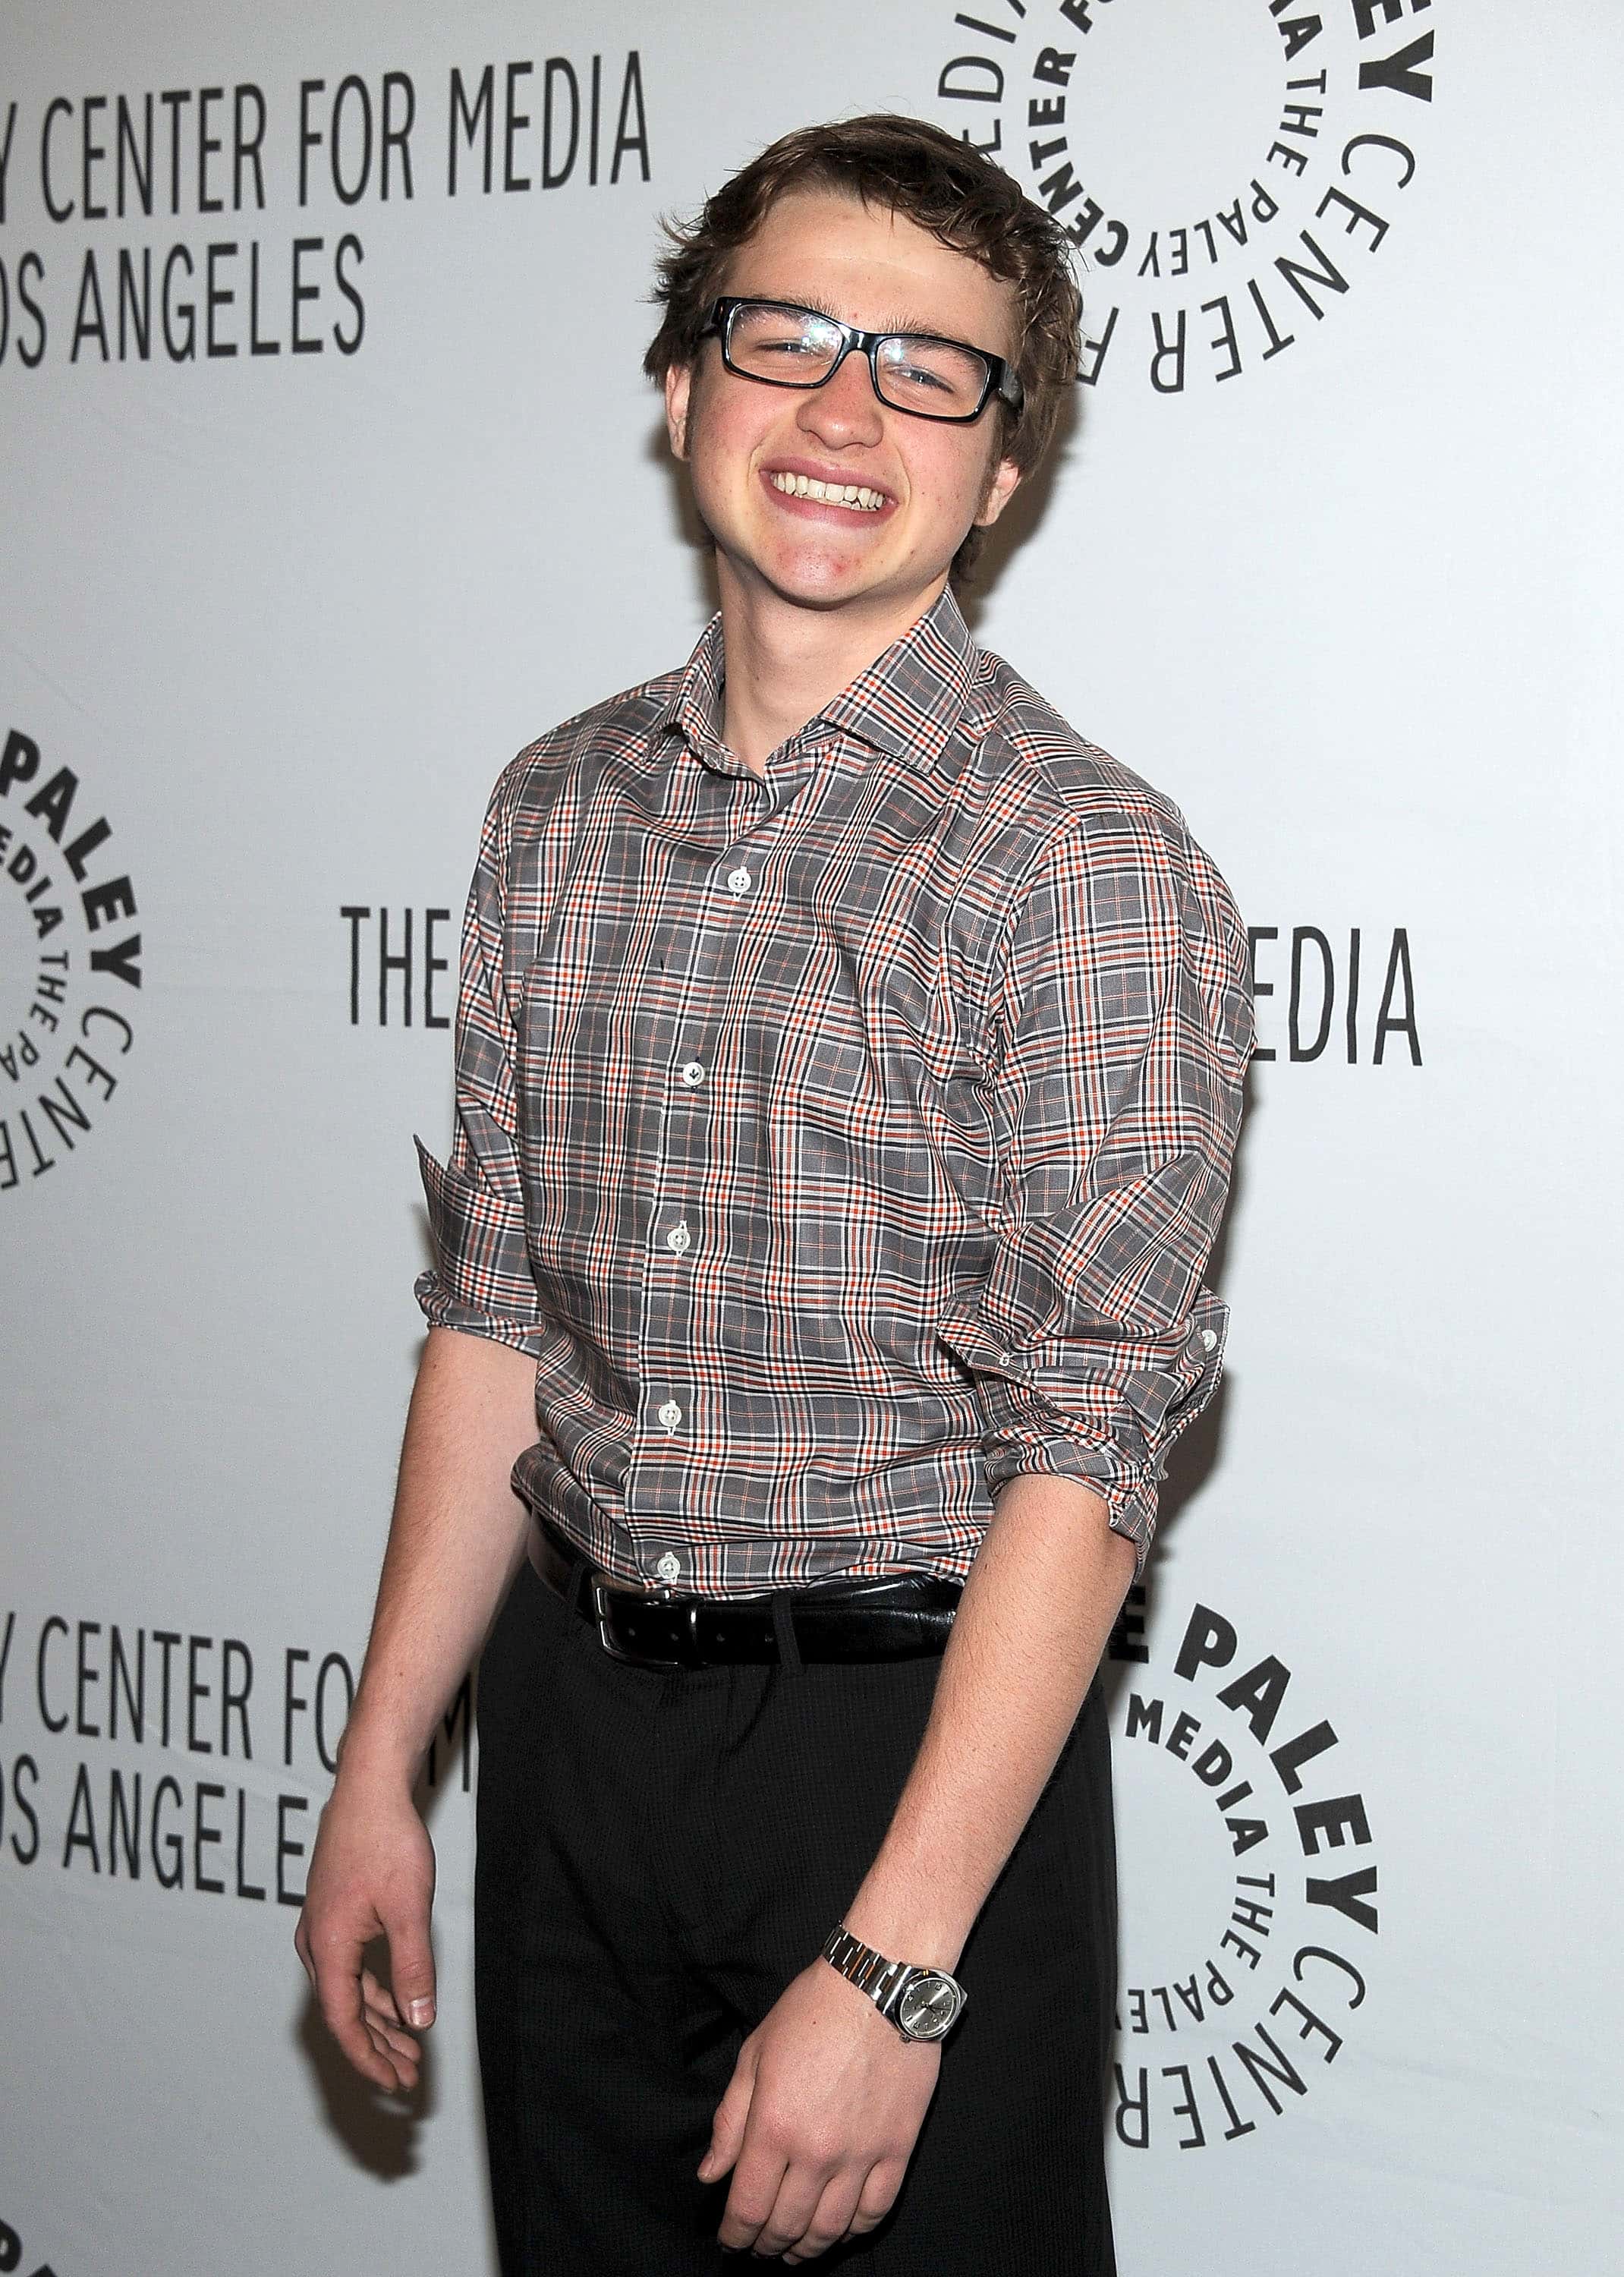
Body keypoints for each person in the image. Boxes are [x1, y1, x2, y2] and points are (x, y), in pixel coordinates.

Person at [296, 114, 1251, 2275]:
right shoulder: (551, 805)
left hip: (902, 1767)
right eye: (785, 337)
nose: (844, 409)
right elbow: (494, 1323)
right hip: (565, 1735)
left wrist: (899, 1967)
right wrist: (382, 1777)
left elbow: (1089, 1450)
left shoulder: (1077, 865)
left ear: (1001, 471)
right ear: (678, 389)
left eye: (929, 368)